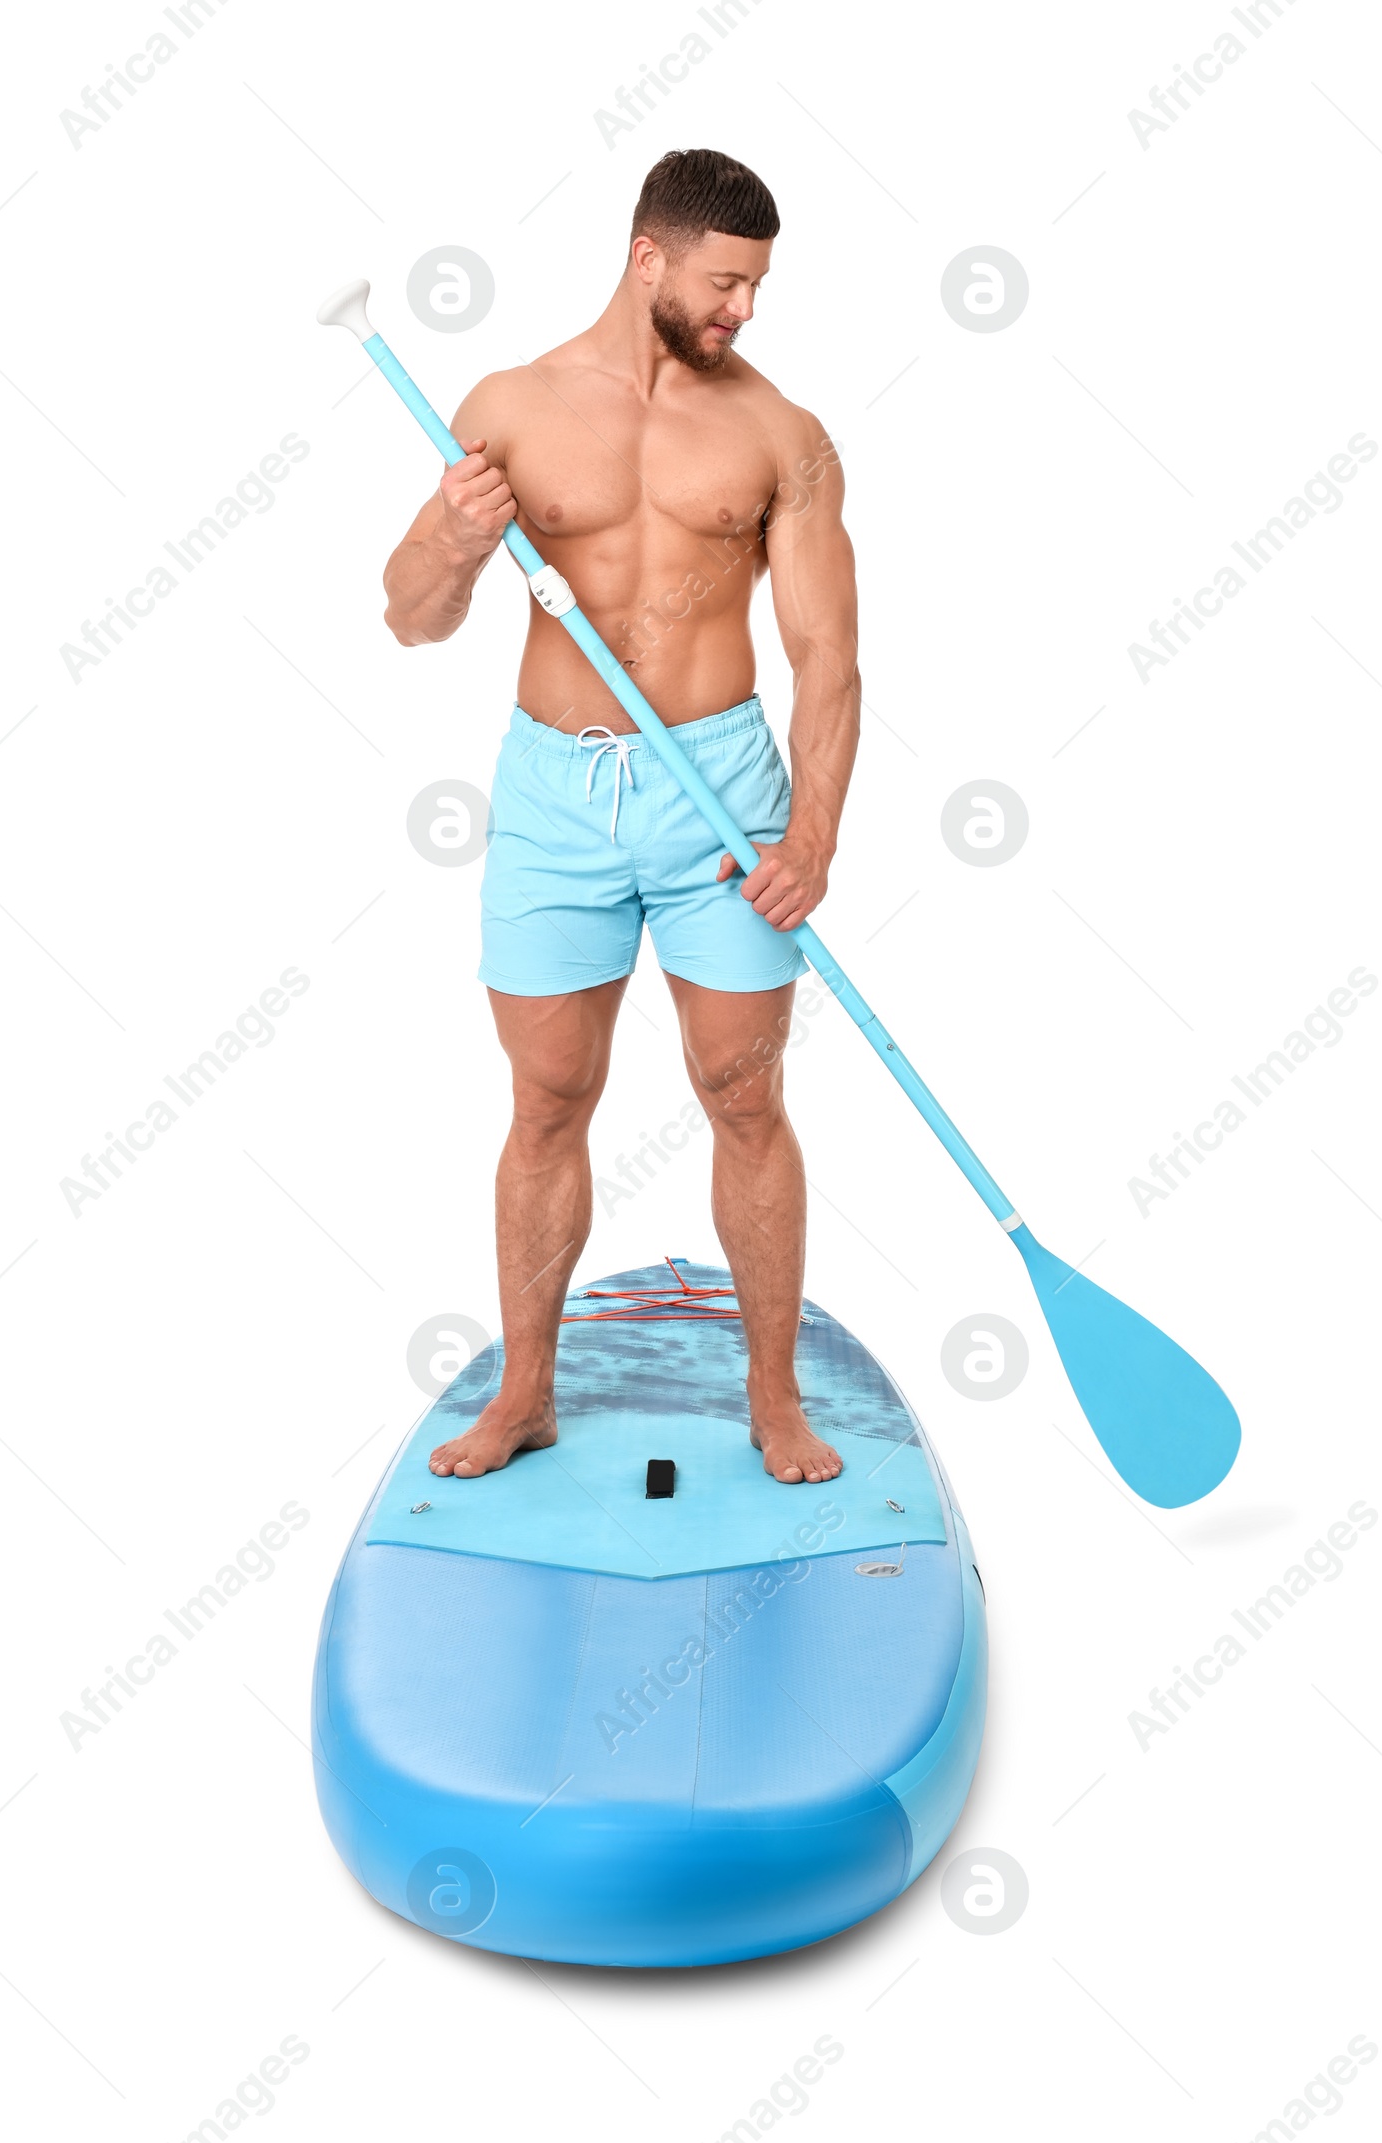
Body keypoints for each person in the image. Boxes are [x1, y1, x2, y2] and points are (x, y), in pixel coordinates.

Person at [382, 148, 857, 1485]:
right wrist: (452, 536)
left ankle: (773, 1398)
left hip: (723, 789)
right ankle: (527, 1388)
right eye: (724, 283)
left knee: (741, 1090)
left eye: (756, 288)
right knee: (546, 1098)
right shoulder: (510, 406)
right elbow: (411, 618)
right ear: (648, 255)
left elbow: (831, 655)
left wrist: (811, 834)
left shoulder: (782, 436)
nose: (742, 312)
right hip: (555, 794)